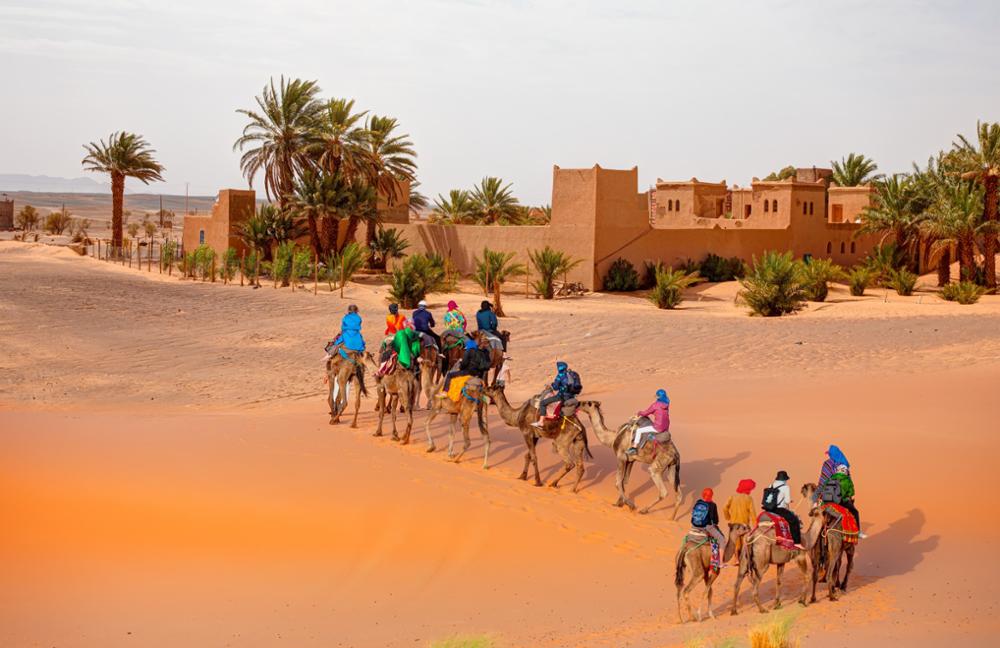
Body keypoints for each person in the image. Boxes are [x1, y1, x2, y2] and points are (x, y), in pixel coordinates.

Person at [764, 470, 803, 549]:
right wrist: (790, 501)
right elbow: (787, 501)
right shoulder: (786, 487)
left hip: (769, 509)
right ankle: (797, 542)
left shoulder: (771, 485)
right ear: (785, 479)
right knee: (794, 520)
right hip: (779, 510)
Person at [533, 361, 579, 426]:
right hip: (571, 396)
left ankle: (541, 422)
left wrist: (551, 385)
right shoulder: (571, 375)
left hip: (562, 396)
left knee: (542, 403)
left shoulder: (560, 376)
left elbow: (555, 388)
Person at [627, 389, 670, 456]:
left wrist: (639, 413)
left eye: (657, 396)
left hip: (658, 427)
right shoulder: (666, 404)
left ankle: (634, 448)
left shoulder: (655, 405)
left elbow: (646, 413)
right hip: (666, 427)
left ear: (659, 396)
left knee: (639, 430)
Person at [723, 479, 756, 563]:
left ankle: (736, 559)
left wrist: (728, 517)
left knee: (735, 542)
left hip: (734, 524)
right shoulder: (749, 498)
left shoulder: (732, 497)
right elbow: (752, 513)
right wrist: (755, 525)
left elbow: (724, 508)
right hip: (744, 524)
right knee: (746, 541)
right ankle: (744, 559)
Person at [691, 488, 726, 561]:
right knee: (721, 539)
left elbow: (693, 514)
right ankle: (720, 562)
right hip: (707, 527)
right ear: (711, 495)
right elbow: (715, 520)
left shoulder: (698, 502)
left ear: (703, 495)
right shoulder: (713, 505)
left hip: (695, 526)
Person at [830, 464, 863, 537]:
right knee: (855, 512)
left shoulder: (831, 478)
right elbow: (852, 492)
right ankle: (858, 532)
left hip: (830, 503)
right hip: (843, 502)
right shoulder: (847, 480)